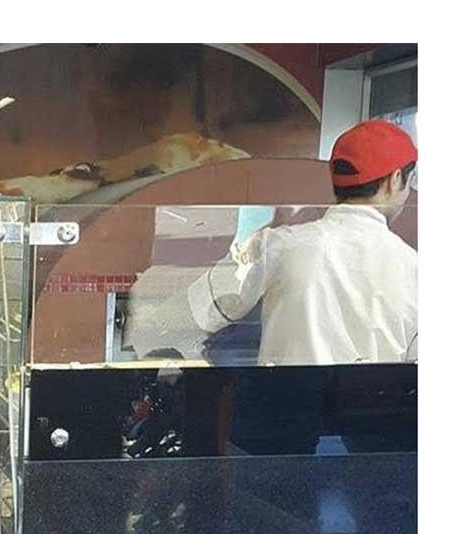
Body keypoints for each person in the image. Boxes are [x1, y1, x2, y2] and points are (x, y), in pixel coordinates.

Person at [125, 119, 418, 365]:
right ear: (395, 180)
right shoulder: (416, 270)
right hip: (373, 417)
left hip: (279, 412)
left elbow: (190, 314)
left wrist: (142, 335)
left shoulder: (276, 246)